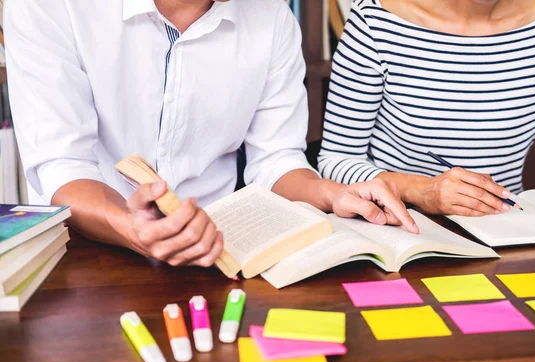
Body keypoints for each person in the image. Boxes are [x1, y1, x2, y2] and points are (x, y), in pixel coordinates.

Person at [5, 0, 419, 269]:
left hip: (219, 251)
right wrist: (129, 225)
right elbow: (63, 165)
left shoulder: (272, 17)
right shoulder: (48, 6)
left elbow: (275, 161)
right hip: (84, 248)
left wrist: (330, 193)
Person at [318, 0, 535, 217]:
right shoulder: (374, 20)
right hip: (399, 225)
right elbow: (335, 160)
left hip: (505, 228)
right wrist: (421, 190)